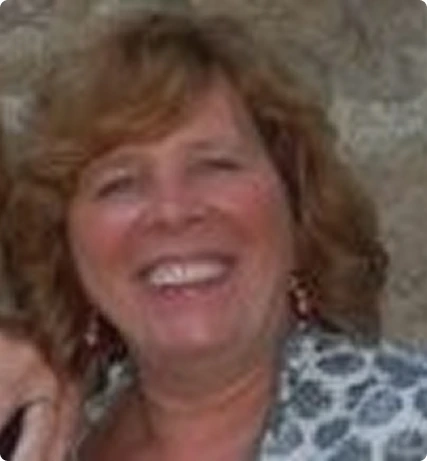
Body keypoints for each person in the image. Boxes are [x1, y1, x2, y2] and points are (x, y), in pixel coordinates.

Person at [1, 7, 427, 461]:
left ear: (299, 210)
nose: (173, 211)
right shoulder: (36, 426)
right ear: (66, 247)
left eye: (215, 165)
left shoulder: (408, 421)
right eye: (119, 183)